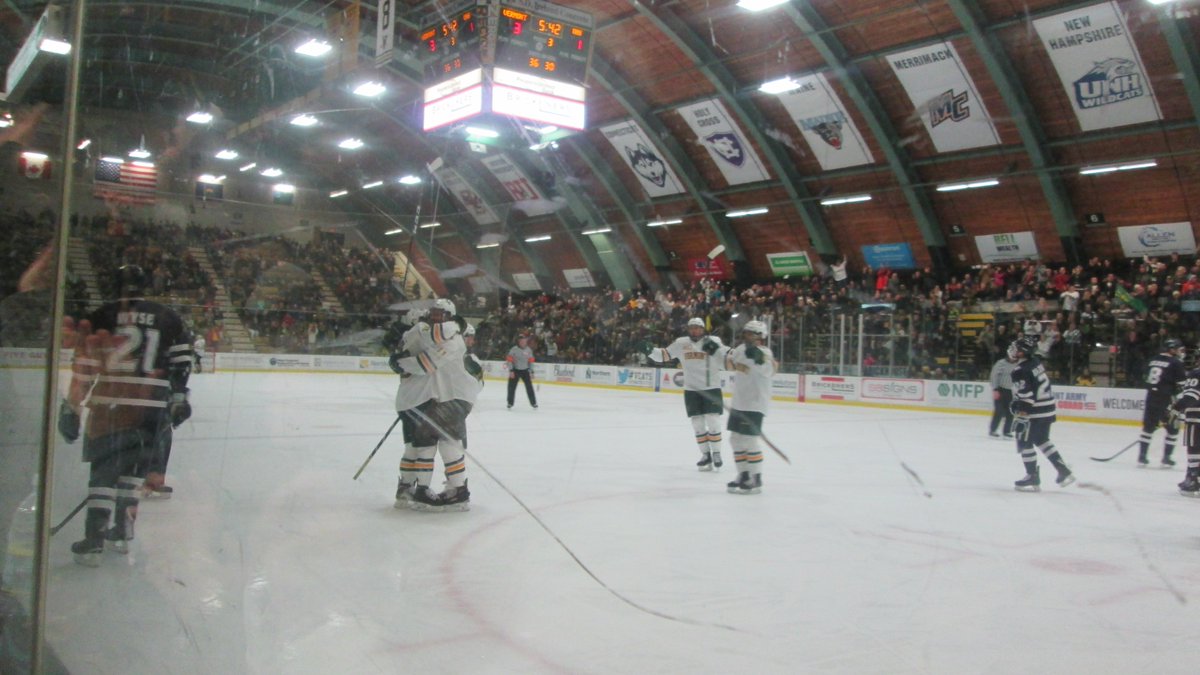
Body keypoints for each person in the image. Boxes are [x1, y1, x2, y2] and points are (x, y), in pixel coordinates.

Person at [57, 264, 192, 565]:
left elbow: (85, 367)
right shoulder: (168, 317)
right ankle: (122, 532)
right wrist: (179, 398)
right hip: (152, 405)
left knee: (103, 472)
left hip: (111, 403)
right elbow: (182, 362)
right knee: (133, 470)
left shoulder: (101, 315)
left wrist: (72, 407)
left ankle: (94, 541)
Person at [390, 299, 480, 511]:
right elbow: (427, 350)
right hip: (439, 398)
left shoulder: (449, 340)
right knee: (424, 445)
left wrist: (399, 362)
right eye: (434, 313)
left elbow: (425, 363)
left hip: (451, 399)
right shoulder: (432, 335)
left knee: (439, 445)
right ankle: (445, 489)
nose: (435, 317)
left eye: (440, 314)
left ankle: (451, 490)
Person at [643, 317, 726, 470]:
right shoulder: (681, 343)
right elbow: (664, 355)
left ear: (703, 329)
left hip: (711, 388)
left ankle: (716, 453)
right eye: (692, 328)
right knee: (697, 424)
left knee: (713, 421)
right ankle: (705, 454)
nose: (694, 330)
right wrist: (650, 350)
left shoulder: (713, 341)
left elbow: (726, 358)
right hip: (691, 390)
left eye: (697, 328)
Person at [1008, 336, 1074, 492]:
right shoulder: (1036, 362)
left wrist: (1021, 412)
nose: (1012, 350)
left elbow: (1027, 396)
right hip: (1048, 408)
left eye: (1016, 349)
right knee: (1042, 440)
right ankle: (1063, 470)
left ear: (1022, 352)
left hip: (1034, 411)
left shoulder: (1020, 370)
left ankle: (1031, 475)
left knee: (1024, 441)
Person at [721, 320, 776, 495]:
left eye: (752, 333)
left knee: (749, 440)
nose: (747, 336)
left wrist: (758, 359)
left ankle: (756, 477)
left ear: (761, 336)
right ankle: (743, 474)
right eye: (746, 332)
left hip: (755, 404)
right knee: (735, 439)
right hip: (739, 402)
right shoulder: (740, 349)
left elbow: (770, 370)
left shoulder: (765, 353)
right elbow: (730, 364)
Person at [1135, 338, 1186, 467]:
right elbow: (1181, 385)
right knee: (1173, 429)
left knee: (1148, 429)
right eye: (1178, 349)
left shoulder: (1152, 359)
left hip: (1151, 398)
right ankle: (1166, 458)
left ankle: (1142, 456)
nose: (1180, 352)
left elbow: (1145, 377)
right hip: (1166, 400)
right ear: (1172, 349)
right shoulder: (1175, 363)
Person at [1170, 366, 1200, 497]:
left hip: (1197, 417)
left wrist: (1175, 408)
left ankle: (1194, 478)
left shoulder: (1196, 373)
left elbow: (1191, 396)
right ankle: (1191, 476)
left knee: (1194, 447)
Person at [988, 352, 1017, 439]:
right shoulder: (1001, 363)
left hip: (1010, 391)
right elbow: (994, 376)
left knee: (1010, 412)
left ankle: (1007, 431)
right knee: (999, 411)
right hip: (1000, 390)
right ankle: (993, 430)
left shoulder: (1017, 364)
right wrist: (995, 389)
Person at [506, 334, 537, 409]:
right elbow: (509, 360)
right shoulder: (514, 349)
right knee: (511, 387)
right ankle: (510, 403)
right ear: (519, 342)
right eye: (522, 341)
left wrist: (531, 371)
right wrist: (511, 370)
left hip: (525, 371)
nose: (523, 343)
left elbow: (531, 361)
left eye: (525, 341)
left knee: (529, 387)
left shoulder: (529, 350)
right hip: (515, 370)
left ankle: (533, 403)